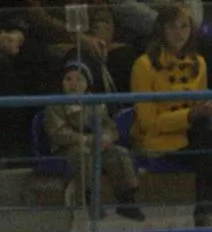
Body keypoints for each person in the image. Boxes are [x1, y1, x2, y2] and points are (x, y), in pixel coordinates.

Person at [131, 2, 212, 226]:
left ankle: (206, 210)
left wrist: (206, 110)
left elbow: (199, 102)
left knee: (208, 130)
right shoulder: (144, 65)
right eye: (172, 27)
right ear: (161, 30)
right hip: (160, 140)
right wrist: (189, 116)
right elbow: (147, 122)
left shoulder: (198, 62)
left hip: (194, 136)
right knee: (209, 140)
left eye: (184, 26)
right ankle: (206, 210)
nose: (179, 33)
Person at [45, 58, 146, 218]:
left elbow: (110, 127)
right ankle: (91, 199)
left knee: (119, 153)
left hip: (96, 145)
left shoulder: (95, 104)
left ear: (87, 83)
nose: (73, 84)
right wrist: (88, 139)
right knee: (82, 155)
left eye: (79, 79)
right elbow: (59, 134)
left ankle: (127, 198)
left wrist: (107, 137)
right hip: (68, 149)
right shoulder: (55, 105)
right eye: (68, 79)